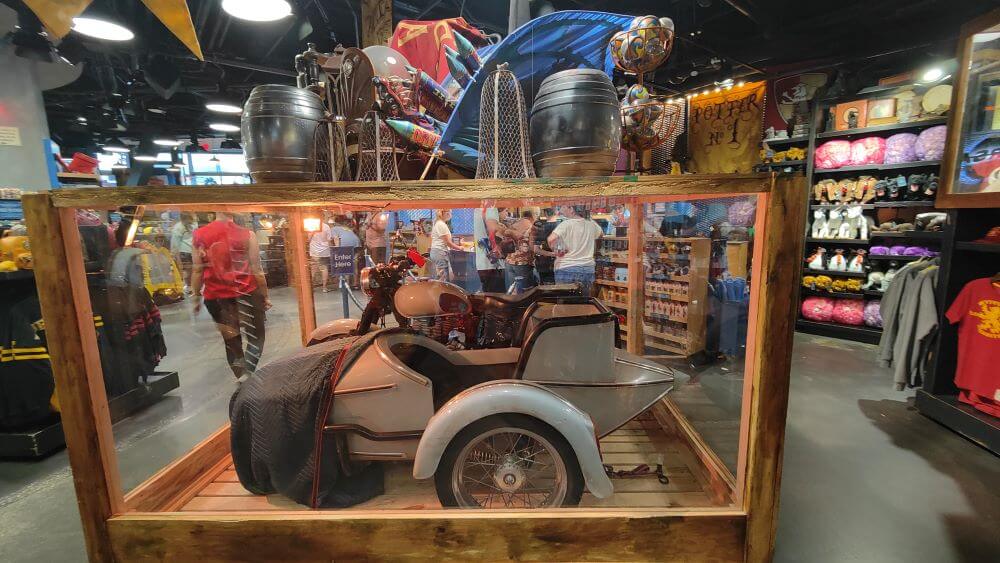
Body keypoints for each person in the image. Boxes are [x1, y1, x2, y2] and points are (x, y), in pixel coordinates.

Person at [190, 212, 270, 382]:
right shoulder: (247, 234)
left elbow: (197, 269)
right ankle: (247, 374)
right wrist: (265, 295)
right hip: (246, 292)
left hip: (216, 297)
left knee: (231, 340)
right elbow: (256, 269)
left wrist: (196, 296)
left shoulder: (199, 235)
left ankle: (241, 376)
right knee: (257, 337)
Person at [548, 204, 603, 295]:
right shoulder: (591, 223)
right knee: (584, 303)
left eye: (563, 207)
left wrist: (557, 250)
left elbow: (551, 239)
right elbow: (601, 234)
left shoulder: (566, 224)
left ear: (571, 209)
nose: (561, 210)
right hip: (587, 269)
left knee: (565, 304)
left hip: (566, 268)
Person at [474, 206, 507, 292]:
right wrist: (510, 232)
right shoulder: (491, 208)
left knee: (489, 296)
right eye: (506, 211)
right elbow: (493, 228)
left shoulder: (478, 209)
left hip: (482, 264)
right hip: (493, 265)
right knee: (497, 298)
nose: (507, 214)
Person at [504, 210, 537, 292]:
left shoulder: (514, 224)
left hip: (509, 261)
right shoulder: (531, 227)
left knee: (513, 291)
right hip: (523, 263)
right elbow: (532, 247)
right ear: (534, 215)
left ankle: (514, 305)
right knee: (526, 292)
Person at [429, 209, 464, 281]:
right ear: (444, 213)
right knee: (443, 279)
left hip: (438, 252)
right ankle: (442, 291)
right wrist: (459, 248)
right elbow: (447, 242)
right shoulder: (441, 224)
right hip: (440, 252)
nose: (450, 214)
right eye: (449, 212)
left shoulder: (439, 223)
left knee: (441, 277)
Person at [330, 217, 361, 289]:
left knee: (346, 264)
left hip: (346, 244)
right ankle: (355, 284)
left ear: (335, 223)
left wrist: (337, 250)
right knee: (354, 263)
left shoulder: (334, 229)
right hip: (357, 243)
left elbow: (336, 238)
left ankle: (347, 284)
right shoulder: (345, 228)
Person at [169, 212, 197, 292]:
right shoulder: (181, 227)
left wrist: (173, 253)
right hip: (187, 251)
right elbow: (175, 243)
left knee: (189, 270)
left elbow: (175, 242)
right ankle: (190, 286)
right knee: (189, 270)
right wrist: (175, 254)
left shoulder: (180, 226)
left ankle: (190, 286)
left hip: (187, 251)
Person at [532, 208, 559, 285]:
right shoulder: (562, 226)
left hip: (544, 264)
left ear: (545, 214)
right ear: (556, 212)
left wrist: (552, 254)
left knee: (546, 289)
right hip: (562, 263)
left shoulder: (541, 228)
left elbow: (536, 249)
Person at [308, 220, 337, 293]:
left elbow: (308, 239)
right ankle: (324, 288)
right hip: (325, 250)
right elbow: (329, 239)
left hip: (314, 250)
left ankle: (310, 288)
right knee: (324, 268)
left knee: (313, 269)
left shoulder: (311, 225)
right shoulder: (326, 226)